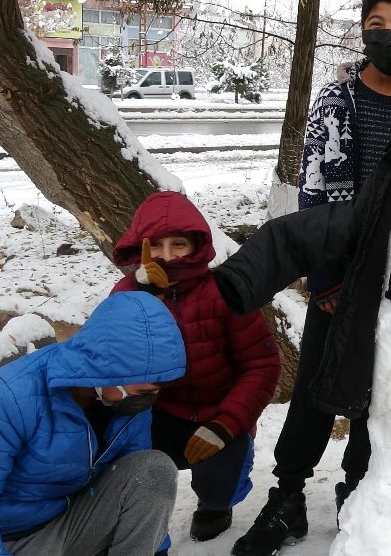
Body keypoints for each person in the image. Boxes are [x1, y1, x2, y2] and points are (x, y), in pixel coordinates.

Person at [232, 0, 391, 556]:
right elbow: (314, 195)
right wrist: (324, 278)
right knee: (318, 390)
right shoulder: (335, 101)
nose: (389, 35)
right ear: (363, 28)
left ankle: (358, 491)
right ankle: (287, 497)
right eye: (378, 24)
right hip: (339, 277)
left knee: (379, 393)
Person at [0, 292, 186, 556]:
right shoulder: (9, 396)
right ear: (107, 371)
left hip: (75, 521)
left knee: (153, 468)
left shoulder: (126, 401)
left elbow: (142, 488)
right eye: (144, 391)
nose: (151, 398)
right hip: (15, 540)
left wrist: (156, 550)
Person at [110, 190, 280, 542]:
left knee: (219, 486)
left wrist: (228, 423)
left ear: (196, 246)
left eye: (178, 245)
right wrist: (143, 297)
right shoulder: (125, 294)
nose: (167, 257)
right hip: (160, 412)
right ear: (141, 247)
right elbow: (111, 358)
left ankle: (216, 505)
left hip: (219, 414)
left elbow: (261, 365)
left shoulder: (225, 292)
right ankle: (140, 523)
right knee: (125, 465)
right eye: (155, 245)